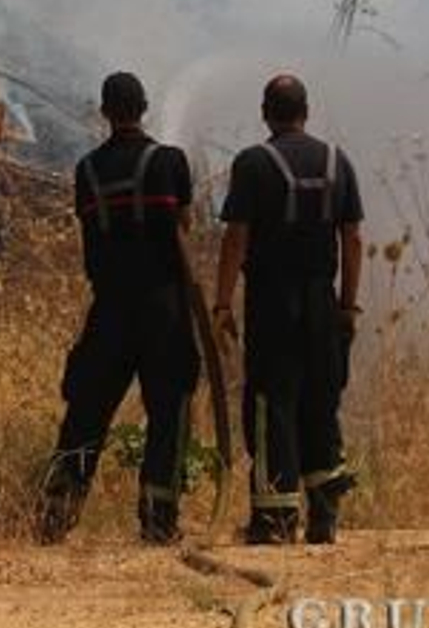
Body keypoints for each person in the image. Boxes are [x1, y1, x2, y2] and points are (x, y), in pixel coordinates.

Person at [37, 72, 200, 545]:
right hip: (163, 308)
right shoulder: (170, 161)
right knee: (168, 411)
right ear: (144, 107)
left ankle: (56, 515)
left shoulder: (87, 170)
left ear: (104, 112)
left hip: (109, 309)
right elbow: (185, 226)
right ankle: (159, 520)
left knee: (86, 411)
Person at [212, 73, 364, 545]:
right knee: (321, 397)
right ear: (306, 111)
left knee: (271, 402)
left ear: (265, 113)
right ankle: (324, 514)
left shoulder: (253, 163)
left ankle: (275, 520)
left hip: (272, 302)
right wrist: (347, 306)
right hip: (323, 300)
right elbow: (353, 239)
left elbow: (236, 238)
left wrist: (222, 304)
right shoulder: (338, 161)